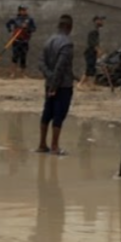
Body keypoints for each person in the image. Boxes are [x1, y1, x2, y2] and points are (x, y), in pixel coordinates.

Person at [37, 15, 77, 156]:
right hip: (63, 86)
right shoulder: (67, 44)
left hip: (49, 84)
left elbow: (41, 63)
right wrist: (55, 84)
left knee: (47, 112)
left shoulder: (48, 41)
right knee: (59, 114)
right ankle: (55, 146)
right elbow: (60, 67)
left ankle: (42, 144)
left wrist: (50, 79)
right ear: (69, 27)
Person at [4, 5, 37, 77]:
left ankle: (23, 74)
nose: (24, 11)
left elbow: (34, 28)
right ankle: (12, 73)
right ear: (19, 11)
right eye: (23, 10)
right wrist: (10, 31)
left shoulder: (30, 19)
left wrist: (27, 28)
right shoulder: (15, 19)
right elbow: (8, 24)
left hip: (25, 41)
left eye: (25, 10)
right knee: (15, 57)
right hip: (16, 40)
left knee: (23, 57)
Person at [84, 15, 105, 85]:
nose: (102, 22)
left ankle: (90, 84)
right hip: (90, 52)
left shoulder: (96, 31)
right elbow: (92, 43)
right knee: (89, 68)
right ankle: (80, 84)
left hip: (92, 52)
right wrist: (98, 50)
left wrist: (99, 49)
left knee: (92, 69)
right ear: (96, 21)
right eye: (100, 20)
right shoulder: (93, 31)